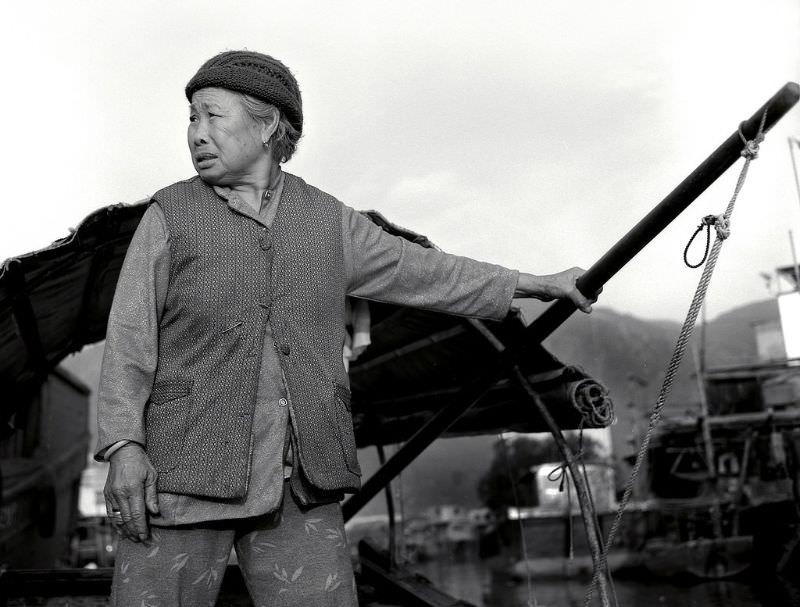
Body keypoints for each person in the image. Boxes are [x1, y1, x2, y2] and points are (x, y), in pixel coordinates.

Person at [95, 50, 597, 607]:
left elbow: (429, 272)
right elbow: (129, 342)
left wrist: (536, 283)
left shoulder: (327, 221)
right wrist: (124, 447)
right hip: (181, 475)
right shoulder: (171, 216)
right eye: (192, 118)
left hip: (300, 481)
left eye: (213, 116)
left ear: (267, 127)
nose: (196, 133)